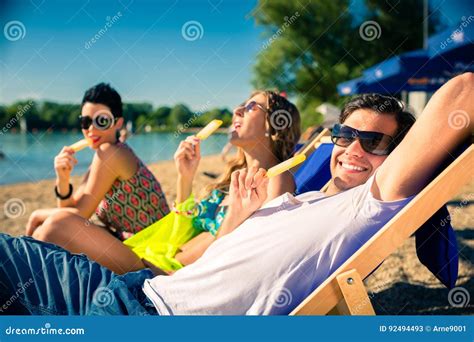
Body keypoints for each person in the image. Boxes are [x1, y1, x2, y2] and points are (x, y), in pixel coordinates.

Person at [0, 73, 472, 315]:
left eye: (374, 142)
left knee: (43, 234)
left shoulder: (370, 203)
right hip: (138, 290)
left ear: (402, 156)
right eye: (344, 134)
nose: (352, 149)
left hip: (143, 313)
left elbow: (463, 92)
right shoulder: (304, 199)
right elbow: (209, 263)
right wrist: (233, 224)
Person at [28, 90, 301, 274]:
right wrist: (185, 175)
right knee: (46, 234)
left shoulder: (276, 179)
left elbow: (240, 251)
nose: (236, 111)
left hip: (165, 274)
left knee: (57, 225)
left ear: (273, 124)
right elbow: (182, 229)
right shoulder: (232, 180)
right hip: (155, 253)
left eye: (249, 107)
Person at [25, 83, 170, 272]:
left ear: (118, 123)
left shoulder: (111, 153)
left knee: (50, 227)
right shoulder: (101, 157)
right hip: (132, 244)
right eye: (85, 122)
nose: (91, 129)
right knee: (47, 229)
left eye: (101, 121)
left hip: (154, 249)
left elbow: (75, 217)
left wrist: (36, 214)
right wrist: (62, 178)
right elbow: (69, 211)